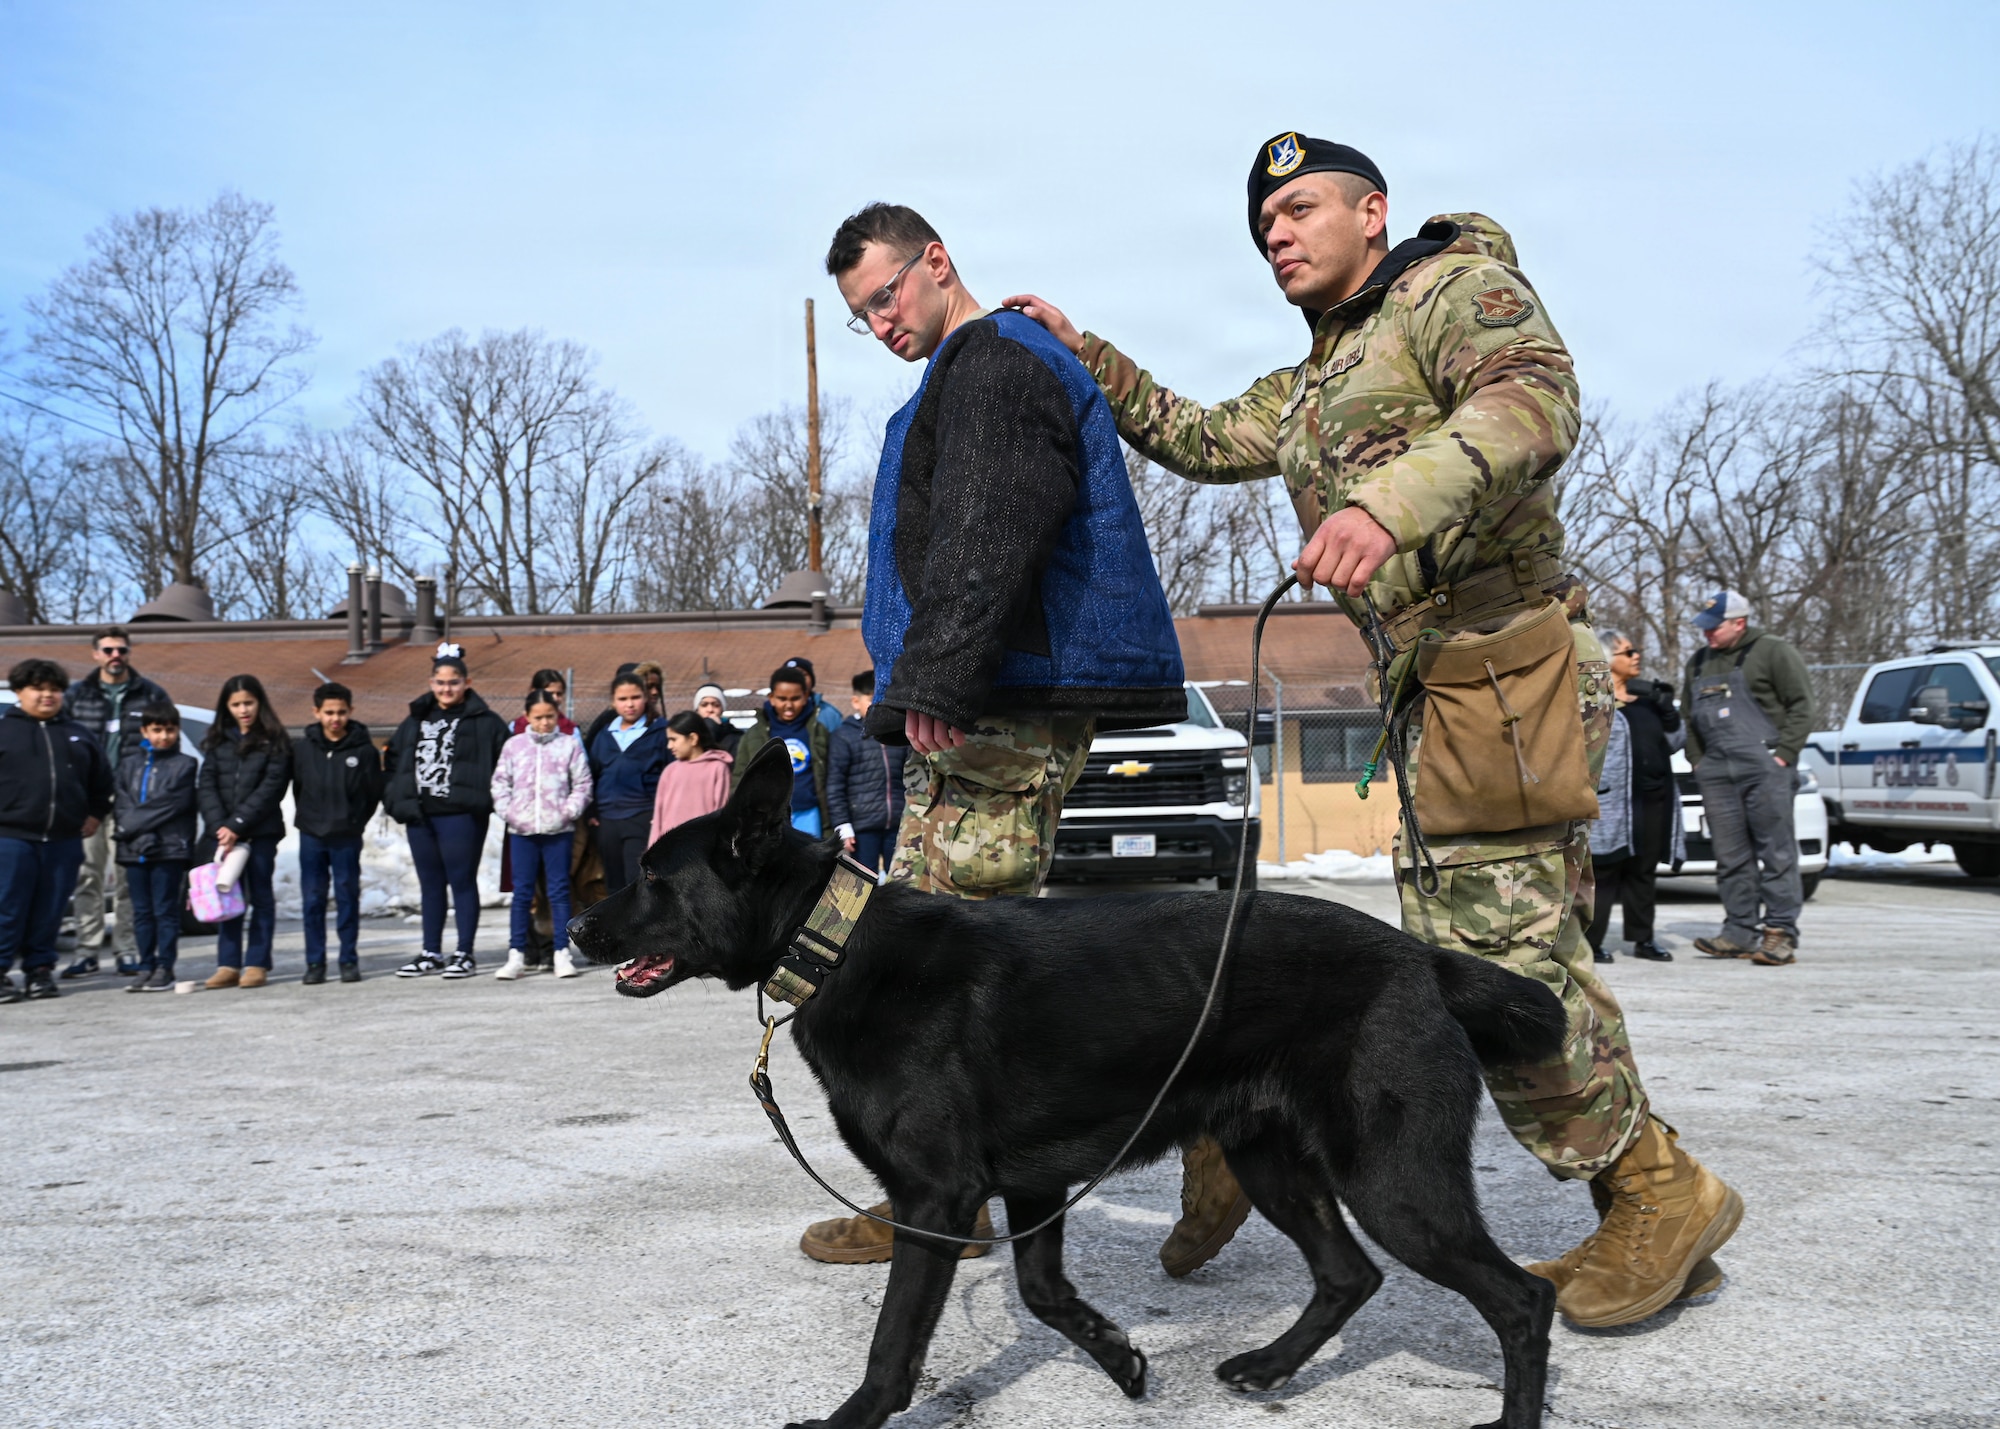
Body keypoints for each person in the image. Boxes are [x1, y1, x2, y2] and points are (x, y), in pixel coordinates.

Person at [1007, 134, 1737, 1324]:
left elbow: (1532, 401)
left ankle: (1656, 1195)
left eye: (1298, 209)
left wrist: (1383, 503)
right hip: (1431, 688)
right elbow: (1197, 437)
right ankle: (1635, 1197)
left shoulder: (1451, 288)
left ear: (1371, 211)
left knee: (1507, 959)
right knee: (1473, 948)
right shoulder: (1310, 379)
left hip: (1500, 664)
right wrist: (1088, 355)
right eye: (1262, 227)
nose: (1277, 235)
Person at [798, 202, 1184, 1265]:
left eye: (886, 295)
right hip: (978, 703)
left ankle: (1216, 1126)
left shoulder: (994, 362)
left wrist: (939, 673)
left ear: (936, 262)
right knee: (940, 962)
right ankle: (943, 1192)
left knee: (980, 974)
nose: (880, 321)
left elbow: (993, 525)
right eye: (859, 313)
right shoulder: (964, 371)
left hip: (999, 707)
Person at [1681, 590, 1816, 967]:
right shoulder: (1698, 662)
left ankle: (1779, 932)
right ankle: (1739, 931)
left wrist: (1784, 755)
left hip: (1765, 768)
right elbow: (1689, 719)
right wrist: (1698, 761)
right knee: (1730, 857)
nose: (1707, 634)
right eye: (1704, 627)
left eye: (1714, 627)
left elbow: (1803, 705)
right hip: (1717, 773)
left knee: (1776, 852)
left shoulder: (1773, 651)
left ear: (1739, 623)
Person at [385, 643, 511, 979]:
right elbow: (394, 759)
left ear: (466, 683)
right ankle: (430, 952)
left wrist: (489, 799)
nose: (446, 689)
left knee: (462, 881)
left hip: (462, 815)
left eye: (453, 682)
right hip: (420, 815)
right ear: (431, 683)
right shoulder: (415, 718)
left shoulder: (485, 721)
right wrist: (396, 799)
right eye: (440, 682)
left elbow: (506, 761)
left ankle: (464, 953)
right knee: (430, 884)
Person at [60, 626, 173, 979]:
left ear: (129, 653)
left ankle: (127, 949)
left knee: (128, 880)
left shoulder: (150, 694)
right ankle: (87, 950)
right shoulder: (77, 696)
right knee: (87, 877)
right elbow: (62, 746)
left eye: (121, 650)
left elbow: (167, 746)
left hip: (132, 802)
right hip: (88, 801)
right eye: (107, 650)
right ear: (95, 654)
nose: (115, 656)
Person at [0, 659, 111, 1003]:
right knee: (7, 907)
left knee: (51, 909)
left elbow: (102, 782)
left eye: (55, 690)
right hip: (11, 838)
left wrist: (94, 814)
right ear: (19, 691)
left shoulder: (78, 734)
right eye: (39, 689)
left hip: (63, 840)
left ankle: (40, 971)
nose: (48, 696)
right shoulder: (5, 730)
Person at [1585, 631, 1684, 964]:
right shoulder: (1595, 701)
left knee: (1644, 869)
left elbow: (1673, 742)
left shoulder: (1647, 701)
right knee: (1607, 870)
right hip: (1613, 801)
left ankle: (1643, 939)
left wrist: (1668, 710)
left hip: (1652, 799)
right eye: (1628, 652)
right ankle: (1592, 941)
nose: (1636, 656)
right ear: (1607, 658)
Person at [197, 674, 293, 990]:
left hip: (260, 834)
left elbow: (271, 788)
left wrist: (237, 825)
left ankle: (257, 963)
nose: (243, 710)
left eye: (248, 703)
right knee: (226, 897)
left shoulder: (275, 740)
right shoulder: (217, 741)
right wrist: (219, 828)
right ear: (227, 707)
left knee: (260, 897)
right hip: (224, 837)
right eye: (236, 704)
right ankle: (227, 964)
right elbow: (206, 785)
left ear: (259, 702)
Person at [492, 690, 593, 981]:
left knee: (559, 890)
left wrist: (567, 812)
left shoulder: (568, 746)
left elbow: (583, 783)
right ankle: (516, 954)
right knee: (522, 893)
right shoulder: (514, 746)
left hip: (558, 831)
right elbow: (500, 784)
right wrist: (512, 813)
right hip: (522, 832)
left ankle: (562, 952)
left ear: (557, 715)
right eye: (538, 717)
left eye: (550, 716)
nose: (545, 722)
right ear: (527, 717)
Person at [292, 682, 385, 984]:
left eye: (341, 712)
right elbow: (299, 789)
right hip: (311, 835)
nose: (335, 719)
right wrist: (309, 817)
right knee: (313, 899)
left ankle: (348, 959)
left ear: (351, 711)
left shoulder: (364, 751)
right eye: (329, 712)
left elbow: (372, 793)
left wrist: (355, 821)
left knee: (347, 896)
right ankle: (315, 963)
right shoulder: (303, 749)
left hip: (346, 835)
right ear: (316, 712)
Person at [113, 702, 199, 993]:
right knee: (141, 911)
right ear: (144, 731)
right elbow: (123, 803)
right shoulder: (128, 764)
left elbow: (172, 804)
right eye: (157, 730)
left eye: (170, 730)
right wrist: (135, 834)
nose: (164, 736)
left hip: (168, 848)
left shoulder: (185, 764)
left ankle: (165, 966)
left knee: (165, 910)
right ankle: (145, 964)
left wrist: (132, 829)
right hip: (133, 849)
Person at [587, 671, 669, 895]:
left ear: (645, 698)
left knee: (638, 880)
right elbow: (591, 774)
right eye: (623, 699)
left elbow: (669, 775)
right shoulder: (604, 735)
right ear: (613, 702)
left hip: (642, 816)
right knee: (613, 883)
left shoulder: (660, 732)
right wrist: (591, 810)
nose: (630, 704)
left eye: (635, 697)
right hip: (607, 820)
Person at [732, 666, 831, 836]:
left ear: (806, 696)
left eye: (795, 698)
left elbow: (829, 774)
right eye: (782, 698)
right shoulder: (754, 734)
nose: (788, 705)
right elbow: (740, 777)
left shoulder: (817, 730)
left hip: (809, 812)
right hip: (768, 819)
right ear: (771, 698)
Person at [826, 669, 906, 873]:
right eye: (872, 699)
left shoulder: (900, 734)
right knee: (865, 882)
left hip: (898, 823)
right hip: (862, 827)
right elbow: (835, 785)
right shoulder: (844, 736)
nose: (879, 705)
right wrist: (842, 824)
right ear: (855, 702)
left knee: (899, 879)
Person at [650, 710, 733, 844]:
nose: (669, 746)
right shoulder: (670, 771)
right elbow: (658, 817)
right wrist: (652, 849)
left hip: (700, 849)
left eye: (674, 739)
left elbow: (721, 813)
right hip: (668, 850)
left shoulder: (717, 768)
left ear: (693, 738)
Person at [510, 668, 580, 741]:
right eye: (549, 693)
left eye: (559, 694)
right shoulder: (515, 727)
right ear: (534, 691)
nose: (555, 698)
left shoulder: (570, 729)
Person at [782, 656, 845, 735]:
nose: (796, 679)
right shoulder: (767, 715)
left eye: (802, 674)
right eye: (789, 675)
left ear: (811, 680)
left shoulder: (829, 714)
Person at [694, 683, 742, 757]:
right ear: (697, 709)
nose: (710, 710)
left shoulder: (734, 737)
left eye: (716, 705)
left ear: (722, 709)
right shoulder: (689, 735)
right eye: (704, 705)